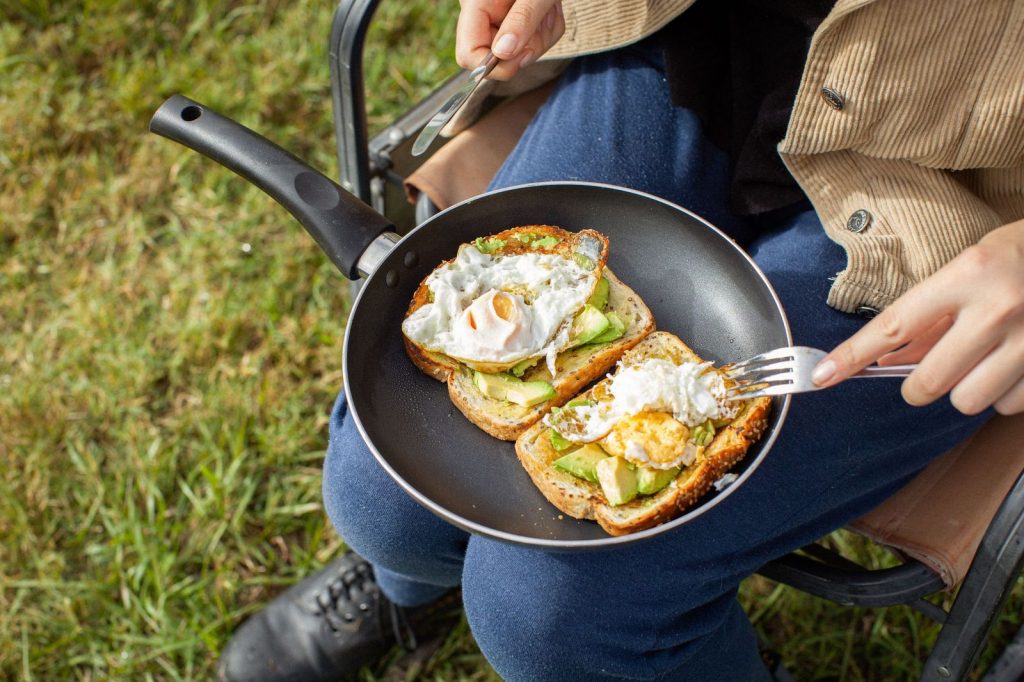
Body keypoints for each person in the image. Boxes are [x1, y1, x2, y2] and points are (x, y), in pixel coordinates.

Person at [218, 1, 1024, 680]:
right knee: (380, 499)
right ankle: (406, 589)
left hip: (956, 203)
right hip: (691, 40)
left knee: (552, 612)